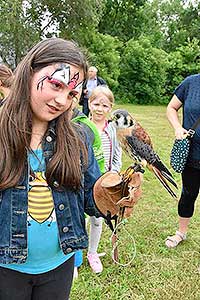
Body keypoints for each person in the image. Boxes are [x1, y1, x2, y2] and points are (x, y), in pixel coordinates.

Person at [0, 37, 101, 300]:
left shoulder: (78, 138)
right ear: (30, 71)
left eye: (71, 94)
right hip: (5, 269)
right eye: (56, 84)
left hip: (59, 266)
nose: (61, 100)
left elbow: (92, 198)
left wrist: (114, 194)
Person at [87, 85, 122, 273]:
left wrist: (113, 177)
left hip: (103, 184)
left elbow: (117, 156)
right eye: (96, 104)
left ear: (110, 108)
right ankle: (74, 256)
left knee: (97, 219)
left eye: (105, 105)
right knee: (78, 218)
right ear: (89, 103)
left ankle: (92, 253)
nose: (100, 109)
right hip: (83, 181)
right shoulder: (82, 125)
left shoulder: (113, 130)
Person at [71, 98, 105, 278]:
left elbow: (95, 164)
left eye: (71, 95)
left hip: (94, 182)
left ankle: (90, 253)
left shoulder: (85, 128)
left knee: (93, 218)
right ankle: (74, 261)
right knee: (76, 218)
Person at [166, 74, 200, 248]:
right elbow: (172, 107)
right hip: (193, 154)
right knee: (188, 194)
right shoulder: (191, 83)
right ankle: (181, 233)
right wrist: (178, 128)